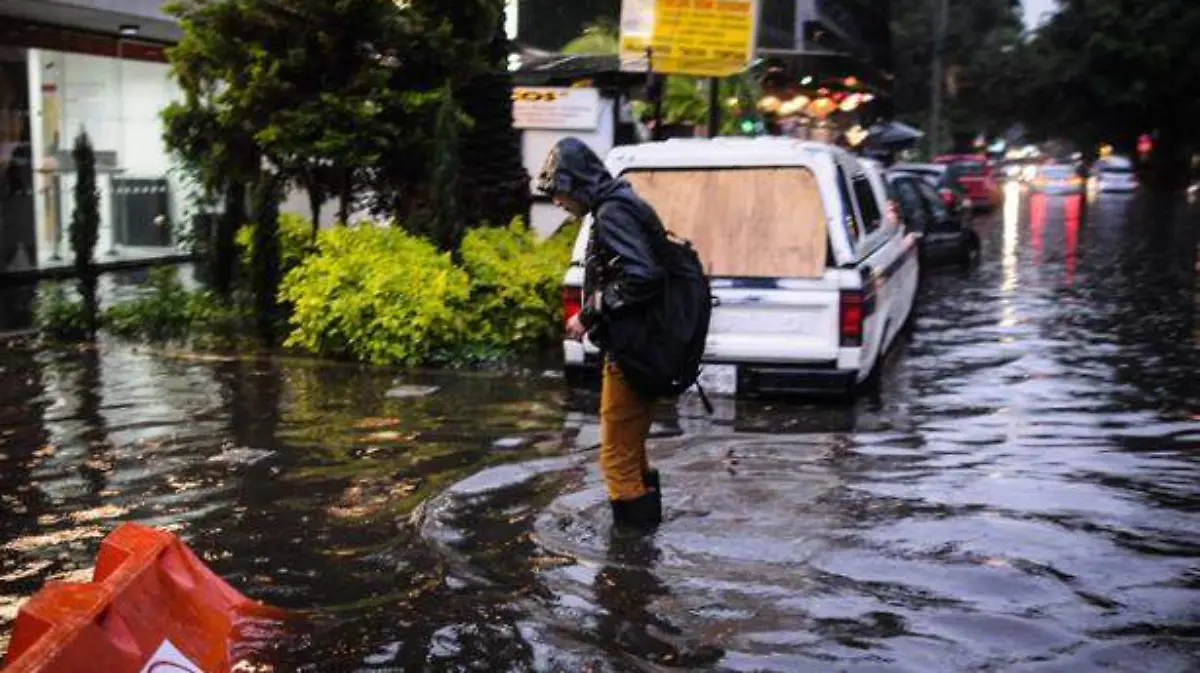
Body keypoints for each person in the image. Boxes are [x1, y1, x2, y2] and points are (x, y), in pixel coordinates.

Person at [536, 137, 666, 530]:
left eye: (559, 191)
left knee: (615, 458)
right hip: (643, 344)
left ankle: (631, 554)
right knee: (631, 450)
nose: (557, 201)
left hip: (631, 349)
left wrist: (589, 315)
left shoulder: (612, 213)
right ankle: (648, 536)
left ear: (576, 183)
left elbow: (643, 276)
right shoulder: (620, 203)